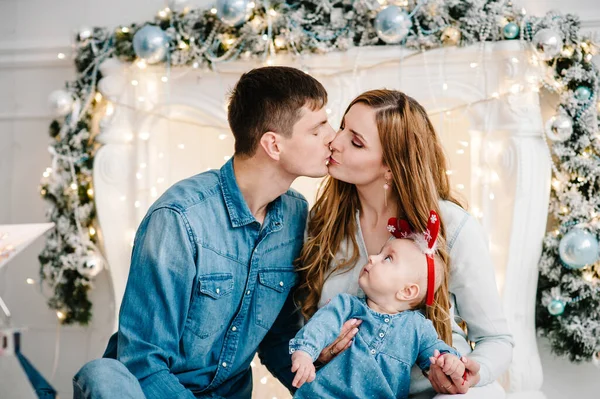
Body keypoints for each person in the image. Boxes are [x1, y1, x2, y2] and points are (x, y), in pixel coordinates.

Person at [72, 66, 358, 399]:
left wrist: (314, 363)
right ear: (273, 145)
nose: (333, 137)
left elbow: (278, 338)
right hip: (151, 392)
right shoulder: (180, 219)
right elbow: (142, 363)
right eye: (317, 128)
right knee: (102, 374)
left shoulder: (295, 214)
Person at [297, 89, 514, 398]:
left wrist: (468, 372)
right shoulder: (323, 221)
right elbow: (303, 324)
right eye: (342, 126)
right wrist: (316, 354)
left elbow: (497, 339)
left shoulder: (451, 227)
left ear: (390, 166)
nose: (335, 142)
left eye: (356, 141)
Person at [290, 213, 469, 398]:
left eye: (388, 258)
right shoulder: (346, 305)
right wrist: (305, 352)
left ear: (407, 291)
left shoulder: (417, 328)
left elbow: (436, 351)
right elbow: (321, 326)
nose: (372, 258)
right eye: (380, 253)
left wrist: (449, 360)